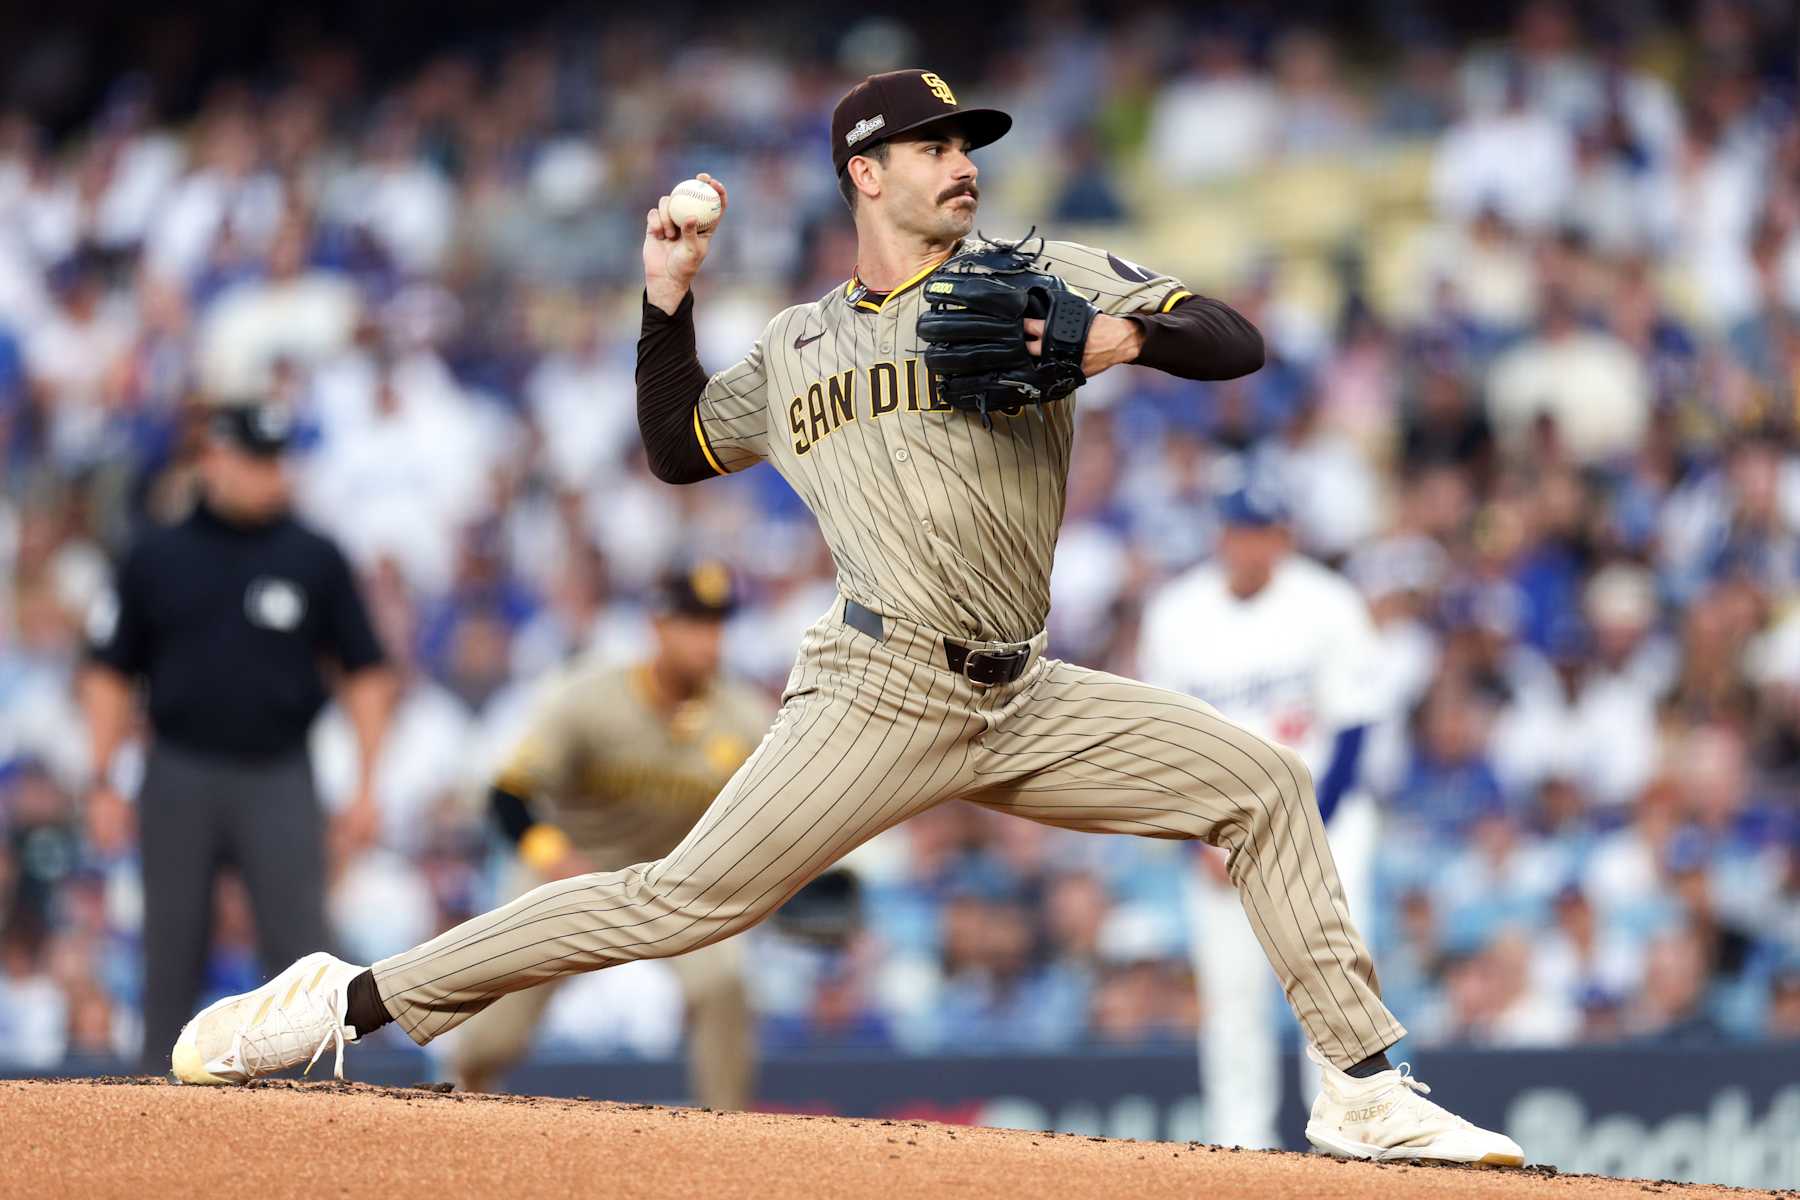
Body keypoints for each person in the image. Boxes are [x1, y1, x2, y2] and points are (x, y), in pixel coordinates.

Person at [167, 69, 1523, 1167]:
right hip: (875, 691)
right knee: (678, 903)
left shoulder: (1027, 274)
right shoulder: (804, 344)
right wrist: (664, 303)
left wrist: (1097, 341)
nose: (961, 161)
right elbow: (678, 449)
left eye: (967, 142)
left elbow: (1234, 339)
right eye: (932, 145)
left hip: (1023, 691)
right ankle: (343, 1001)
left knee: (1268, 784)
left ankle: (1359, 1086)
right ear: (865, 173)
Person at [81, 398, 396, 1072]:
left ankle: (316, 1122)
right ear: (214, 460)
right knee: (170, 956)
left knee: (301, 960)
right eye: (257, 460)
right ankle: (154, 1122)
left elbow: (367, 671)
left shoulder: (313, 556)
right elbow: (109, 672)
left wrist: (368, 785)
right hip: (177, 772)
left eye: (279, 461)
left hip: (278, 775)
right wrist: (102, 778)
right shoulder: (155, 555)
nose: (272, 476)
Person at [448, 562, 767, 1109]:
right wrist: (557, 859)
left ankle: (728, 1128)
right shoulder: (588, 697)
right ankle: (455, 1099)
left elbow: (772, 816)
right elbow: (506, 796)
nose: (708, 640)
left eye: (717, 625)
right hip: (570, 870)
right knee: (492, 1039)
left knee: (723, 983)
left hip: (673, 884)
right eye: (694, 623)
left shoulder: (742, 717)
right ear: (658, 626)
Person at [1137, 478, 1387, 1149]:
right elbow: (1160, 744)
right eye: (1240, 530)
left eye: (1265, 532)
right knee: (1232, 1002)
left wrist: (1299, 839)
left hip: (1325, 827)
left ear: (1285, 537)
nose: (1251, 545)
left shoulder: (1328, 605)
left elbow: (1355, 734)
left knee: (1332, 995)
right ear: (1221, 535)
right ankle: (1238, 1152)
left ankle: (1347, 1145)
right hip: (1221, 837)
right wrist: (1199, 840)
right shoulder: (1176, 613)